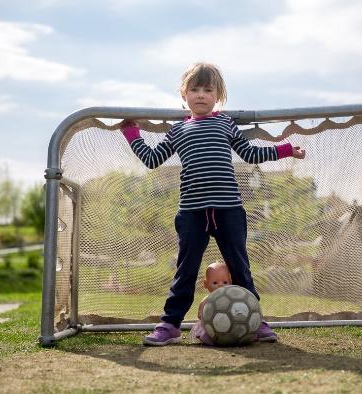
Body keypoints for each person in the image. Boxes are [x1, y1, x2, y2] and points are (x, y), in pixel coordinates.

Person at [119, 62, 306, 346]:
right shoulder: (178, 129)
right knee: (186, 269)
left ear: (218, 95)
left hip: (228, 210)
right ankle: (169, 325)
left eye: (208, 89)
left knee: (240, 267)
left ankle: (255, 321)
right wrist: (132, 133)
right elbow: (152, 159)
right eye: (195, 89)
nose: (201, 95)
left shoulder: (224, 123)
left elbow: (250, 153)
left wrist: (285, 149)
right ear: (185, 95)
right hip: (192, 212)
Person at [190, 261, 231, 345]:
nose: (220, 285)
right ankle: (208, 337)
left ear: (231, 282)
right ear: (205, 284)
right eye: (215, 283)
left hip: (226, 324)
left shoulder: (232, 300)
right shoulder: (206, 300)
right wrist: (203, 315)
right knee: (206, 332)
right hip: (209, 325)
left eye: (225, 282)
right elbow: (199, 315)